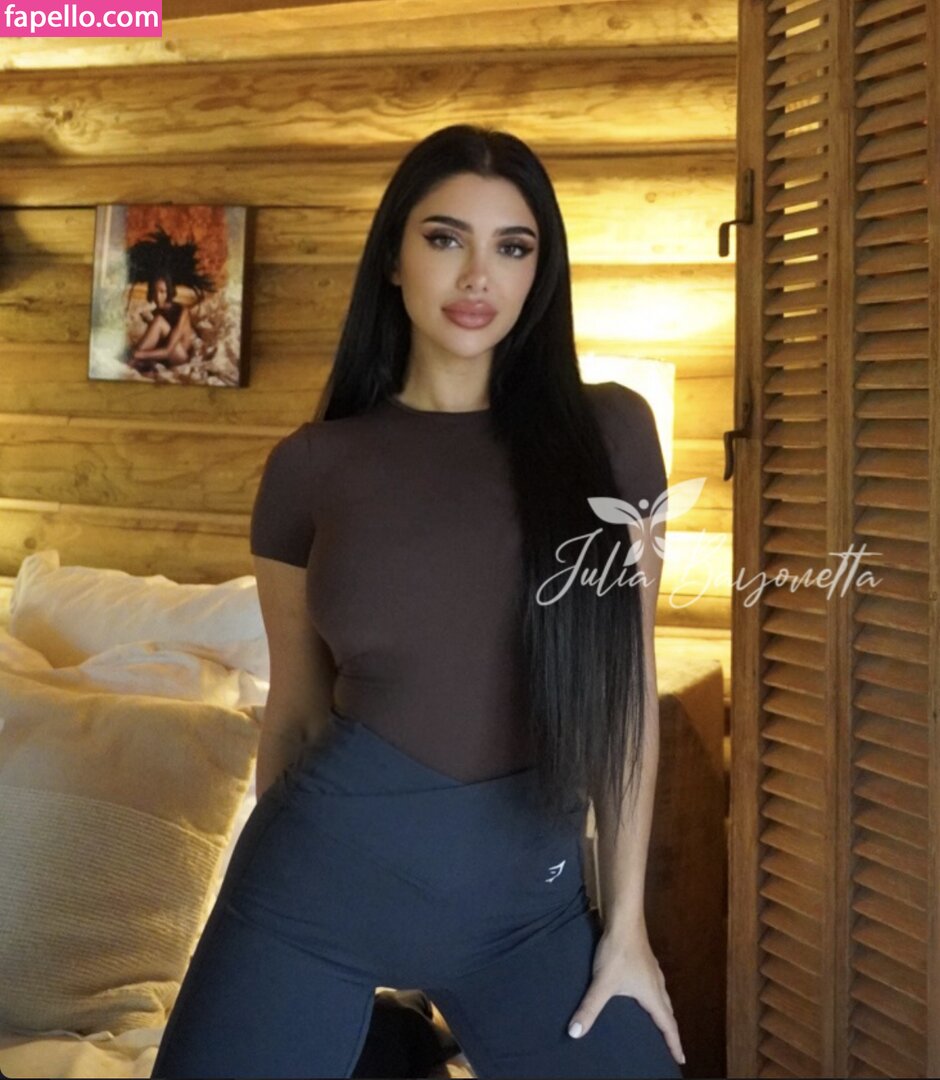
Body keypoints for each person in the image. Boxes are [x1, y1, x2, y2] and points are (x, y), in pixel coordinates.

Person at [151, 123, 684, 1080]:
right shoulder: (312, 467)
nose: (478, 275)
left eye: (512, 247)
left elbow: (627, 698)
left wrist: (629, 928)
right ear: (394, 259)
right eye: (445, 238)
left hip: (529, 916)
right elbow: (296, 717)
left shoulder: (611, 435)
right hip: (310, 897)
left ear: (539, 273)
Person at [129, 272, 196, 371]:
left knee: (158, 321)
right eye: (154, 292)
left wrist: (139, 354)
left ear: (169, 291)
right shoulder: (156, 312)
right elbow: (154, 342)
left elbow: (167, 351)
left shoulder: (182, 311)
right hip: (165, 356)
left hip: (181, 358)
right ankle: (132, 362)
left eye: (162, 291)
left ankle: (131, 362)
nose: (157, 297)